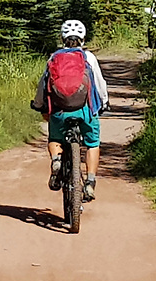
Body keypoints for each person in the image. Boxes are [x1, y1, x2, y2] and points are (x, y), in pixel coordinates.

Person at [30, 19, 109, 201]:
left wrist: (39, 104)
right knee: (92, 143)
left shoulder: (54, 57)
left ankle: (57, 160)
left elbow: (44, 84)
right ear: (83, 38)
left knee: (55, 138)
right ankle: (89, 182)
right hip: (85, 111)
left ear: (62, 37)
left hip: (59, 111)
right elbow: (99, 83)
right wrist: (104, 102)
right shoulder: (89, 58)